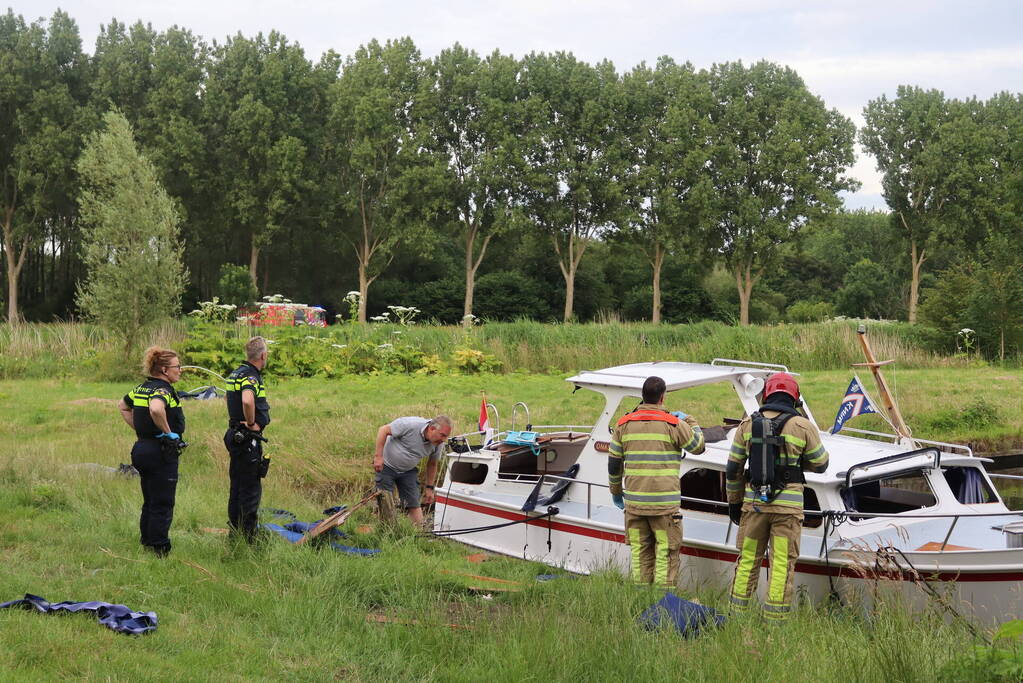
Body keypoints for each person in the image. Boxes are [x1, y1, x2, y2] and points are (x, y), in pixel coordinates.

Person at [725, 372, 829, 620]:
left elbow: (733, 468)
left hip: (753, 508)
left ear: (767, 393)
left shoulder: (748, 425)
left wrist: (734, 503)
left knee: (748, 560)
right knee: (781, 564)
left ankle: (736, 617)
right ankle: (775, 621)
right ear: (794, 397)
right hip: (787, 511)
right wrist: (795, 463)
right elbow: (822, 463)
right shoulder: (803, 426)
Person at [608, 376, 705, 588]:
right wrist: (690, 421)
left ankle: (641, 601)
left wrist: (616, 492)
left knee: (640, 555)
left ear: (642, 396)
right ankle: (661, 607)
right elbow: (698, 446)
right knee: (665, 555)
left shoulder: (623, 424)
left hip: (634, 506)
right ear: (662, 397)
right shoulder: (673, 424)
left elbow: (614, 463)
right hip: (663, 509)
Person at [117, 346, 186, 557]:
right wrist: (168, 433)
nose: (180, 370)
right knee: (162, 501)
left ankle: (147, 542)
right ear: (165, 370)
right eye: (177, 367)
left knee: (150, 499)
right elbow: (156, 408)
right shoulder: (162, 390)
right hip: (160, 451)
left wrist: (140, 429)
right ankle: (159, 549)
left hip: (142, 448)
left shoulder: (141, 388)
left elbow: (122, 405)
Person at [224, 336, 271, 542]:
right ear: (263, 355)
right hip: (247, 439)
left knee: (237, 486)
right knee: (250, 490)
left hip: (235, 435)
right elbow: (247, 399)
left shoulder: (236, 373)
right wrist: (251, 423)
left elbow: (229, 398)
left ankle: (235, 534)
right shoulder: (251, 376)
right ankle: (249, 540)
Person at [373, 415, 452, 525]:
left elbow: (432, 464)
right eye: (442, 435)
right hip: (386, 466)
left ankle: (416, 534)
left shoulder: (438, 444)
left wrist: (429, 488)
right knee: (385, 501)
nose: (443, 440)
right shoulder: (410, 424)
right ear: (432, 429)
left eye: (446, 437)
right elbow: (383, 430)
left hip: (408, 471)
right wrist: (378, 457)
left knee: (414, 503)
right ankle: (384, 530)